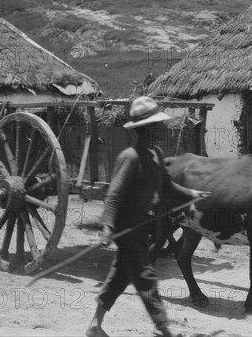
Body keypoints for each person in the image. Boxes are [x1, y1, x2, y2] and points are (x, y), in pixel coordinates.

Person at [86, 96, 209, 337]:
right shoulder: (130, 158)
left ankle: (94, 326)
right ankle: (164, 329)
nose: (163, 128)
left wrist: (192, 193)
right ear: (147, 129)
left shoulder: (155, 155)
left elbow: (166, 187)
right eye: (158, 124)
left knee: (119, 277)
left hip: (143, 229)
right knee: (147, 279)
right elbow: (114, 196)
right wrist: (108, 226)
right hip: (128, 230)